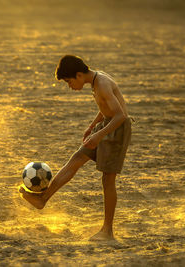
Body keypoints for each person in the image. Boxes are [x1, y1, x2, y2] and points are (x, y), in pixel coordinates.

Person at [19, 55, 132, 241]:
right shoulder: (95, 81)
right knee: (76, 159)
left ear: (79, 75)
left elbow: (120, 115)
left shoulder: (102, 83)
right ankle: (42, 199)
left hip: (117, 131)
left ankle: (108, 232)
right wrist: (92, 126)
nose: (70, 86)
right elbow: (105, 105)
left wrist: (98, 135)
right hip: (105, 124)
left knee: (108, 180)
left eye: (69, 81)